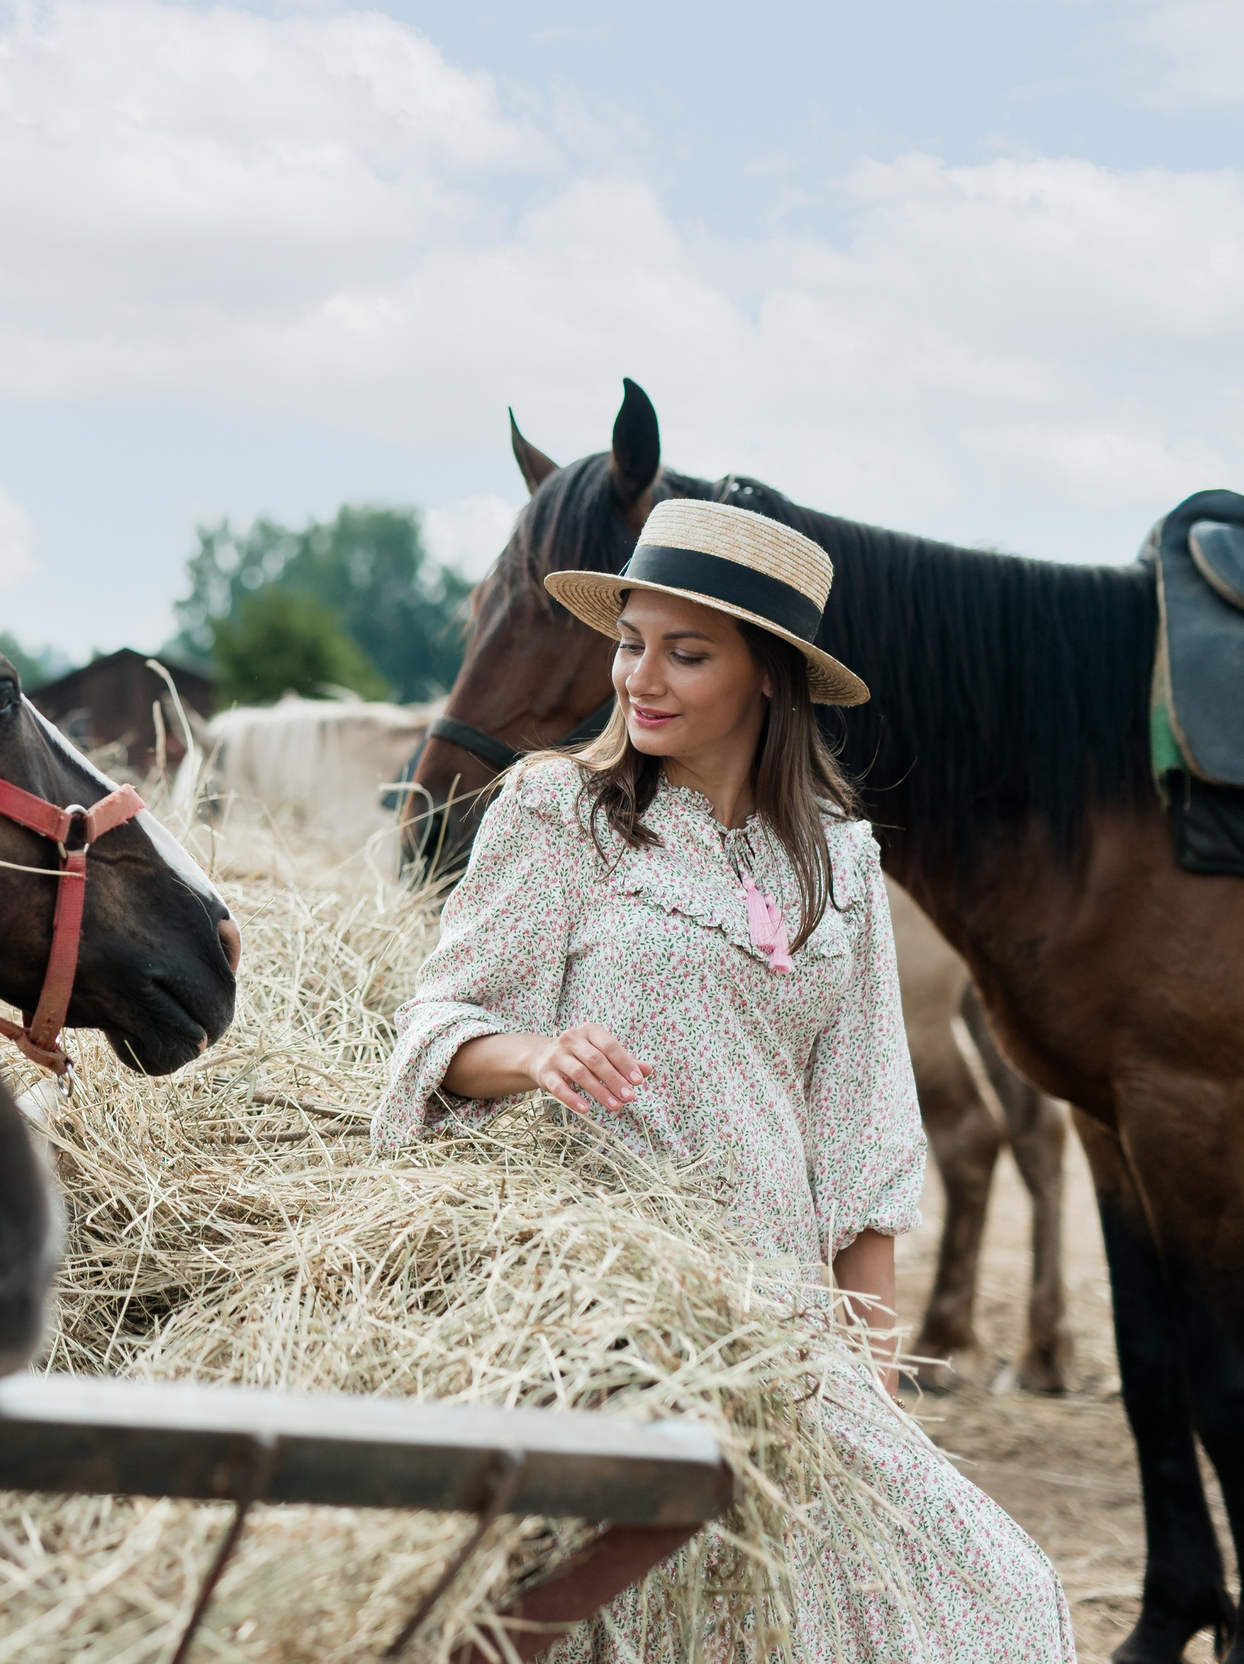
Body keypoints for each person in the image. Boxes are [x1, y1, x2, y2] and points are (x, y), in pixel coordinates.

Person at [376, 499, 1073, 1660]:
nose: (638, 678)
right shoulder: (559, 814)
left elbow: (862, 1141)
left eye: (684, 654)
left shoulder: (842, 866)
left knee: (996, 1595)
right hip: (605, 1320)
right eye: (629, 641)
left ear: (769, 678)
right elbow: (438, 1022)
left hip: (780, 1337)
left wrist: (873, 1391)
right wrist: (533, 1055)